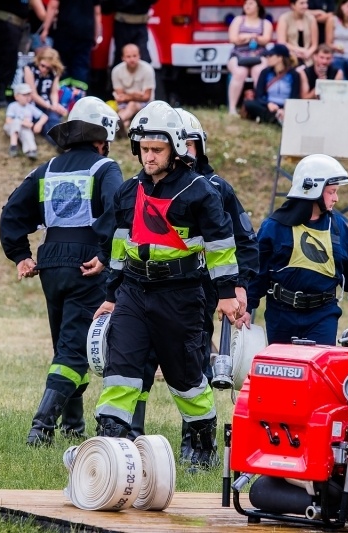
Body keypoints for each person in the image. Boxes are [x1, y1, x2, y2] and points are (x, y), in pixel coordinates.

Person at [91, 101, 240, 472]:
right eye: (144, 149)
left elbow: (221, 245)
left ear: (175, 148)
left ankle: (202, 444)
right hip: (133, 292)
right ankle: (111, 445)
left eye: (157, 150)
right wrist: (111, 297)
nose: (149, 157)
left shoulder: (200, 191)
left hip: (182, 295)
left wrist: (225, 294)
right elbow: (118, 248)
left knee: (186, 375)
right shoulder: (128, 192)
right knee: (121, 368)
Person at [126, 108, 259, 467]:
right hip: (146, 288)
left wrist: (237, 287)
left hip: (198, 292)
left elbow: (242, 241)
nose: (185, 151)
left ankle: (195, 444)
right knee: (134, 364)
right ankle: (128, 439)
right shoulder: (141, 186)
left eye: (190, 144)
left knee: (188, 366)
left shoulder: (214, 189)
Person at [0, 96, 123, 447]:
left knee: (67, 345)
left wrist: (20, 254)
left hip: (51, 261)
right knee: (73, 350)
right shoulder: (105, 168)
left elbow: (11, 212)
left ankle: (73, 425)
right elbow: (119, 210)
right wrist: (104, 252)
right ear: (102, 139)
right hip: (87, 263)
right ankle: (41, 428)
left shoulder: (46, 169)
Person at [238, 154, 348, 346]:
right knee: (283, 372)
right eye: (331, 192)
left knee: (317, 373)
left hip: (323, 316)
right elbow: (257, 273)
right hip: (281, 316)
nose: (336, 198)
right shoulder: (275, 227)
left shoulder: (338, 228)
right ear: (313, 190)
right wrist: (247, 307)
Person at [41, 0, 101, 91]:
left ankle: (63, 97)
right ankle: (79, 97)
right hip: (85, 33)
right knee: (81, 66)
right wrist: (97, 34)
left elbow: (53, 6)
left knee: (62, 64)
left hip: (65, 31)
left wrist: (45, 29)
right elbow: (97, 12)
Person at [226, 0, 273, 116]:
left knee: (259, 72)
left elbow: (266, 39)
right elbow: (233, 39)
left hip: (259, 54)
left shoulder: (265, 23)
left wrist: (244, 37)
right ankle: (232, 108)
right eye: (246, 3)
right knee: (239, 73)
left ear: (258, 7)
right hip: (238, 54)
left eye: (251, 3)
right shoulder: (238, 20)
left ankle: (259, 106)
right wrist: (252, 36)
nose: (247, 6)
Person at [241, 43, 300, 124]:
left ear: (280, 57)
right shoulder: (265, 72)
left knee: (294, 111)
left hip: (285, 106)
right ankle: (275, 119)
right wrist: (268, 104)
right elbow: (259, 95)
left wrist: (285, 109)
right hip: (269, 106)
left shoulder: (293, 74)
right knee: (249, 104)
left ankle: (271, 118)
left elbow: (294, 96)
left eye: (271, 56)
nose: (268, 58)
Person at [24, 47, 67, 148]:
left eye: (48, 68)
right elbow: (32, 93)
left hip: (47, 102)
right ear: (38, 60)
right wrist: (49, 106)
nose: (44, 69)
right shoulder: (29, 68)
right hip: (32, 103)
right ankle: (58, 144)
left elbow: (53, 92)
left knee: (53, 119)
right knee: (42, 121)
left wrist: (55, 104)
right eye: (43, 65)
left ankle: (63, 142)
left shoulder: (55, 72)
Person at [111, 43, 155, 132]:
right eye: (128, 56)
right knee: (126, 120)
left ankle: (114, 124)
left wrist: (127, 96)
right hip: (124, 104)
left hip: (145, 105)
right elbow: (120, 97)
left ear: (139, 56)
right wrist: (136, 95)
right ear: (123, 58)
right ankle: (121, 125)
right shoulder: (116, 71)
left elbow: (147, 97)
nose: (132, 59)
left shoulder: (147, 69)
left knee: (132, 104)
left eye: (135, 56)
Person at [105, 0, 156, 66]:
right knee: (122, 58)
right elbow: (105, 7)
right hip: (122, 24)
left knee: (142, 59)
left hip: (140, 24)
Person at [3, 82, 47, 159]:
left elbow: (44, 116)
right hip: (11, 127)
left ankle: (31, 150)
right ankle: (13, 145)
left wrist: (38, 124)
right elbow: (8, 120)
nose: (27, 97)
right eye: (24, 95)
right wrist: (22, 122)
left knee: (27, 133)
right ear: (16, 96)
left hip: (24, 128)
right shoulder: (13, 106)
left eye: (28, 95)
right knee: (16, 122)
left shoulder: (30, 107)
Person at [277, 0, 320, 66]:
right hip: (290, 57)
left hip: (308, 57)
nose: (305, 6)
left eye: (306, 3)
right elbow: (282, 42)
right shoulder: (284, 18)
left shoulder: (311, 19)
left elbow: (314, 45)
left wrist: (308, 53)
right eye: (302, 3)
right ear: (293, 5)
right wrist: (300, 50)